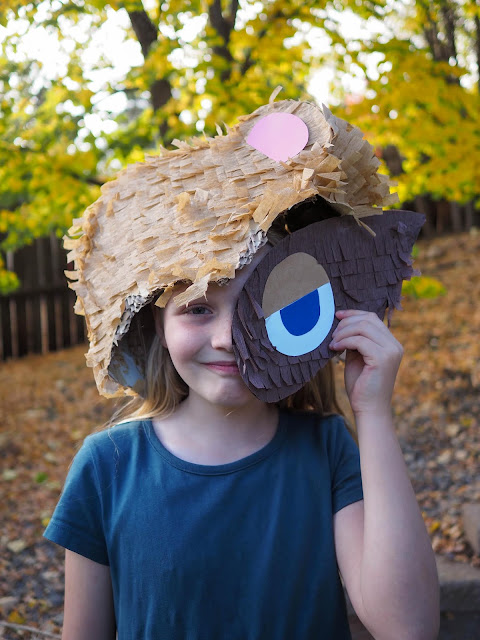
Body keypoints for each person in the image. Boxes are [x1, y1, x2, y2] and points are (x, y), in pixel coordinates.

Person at [44, 96, 440, 640]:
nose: (228, 338)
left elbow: (408, 627)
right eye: (198, 309)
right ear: (158, 325)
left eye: (262, 304)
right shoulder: (107, 467)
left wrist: (372, 413)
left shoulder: (326, 450)